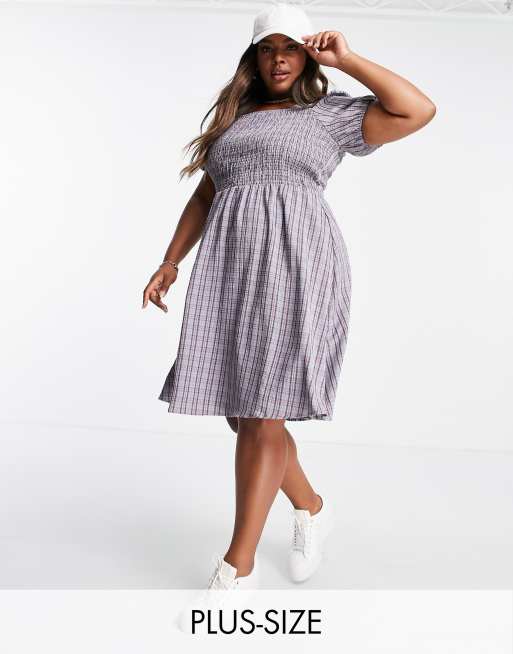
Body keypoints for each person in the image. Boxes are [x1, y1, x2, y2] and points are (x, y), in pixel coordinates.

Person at [142, 1, 435, 601]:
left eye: (291, 49)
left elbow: (418, 109)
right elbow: (205, 197)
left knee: (263, 412)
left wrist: (348, 59)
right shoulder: (236, 121)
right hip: (231, 269)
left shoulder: (329, 114)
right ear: (254, 58)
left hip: (299, 265)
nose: (279, 60)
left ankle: (238, 564)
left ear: (308, 56)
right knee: (243, 410)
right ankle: (311, 507)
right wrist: (170, 262)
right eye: (268, 50)